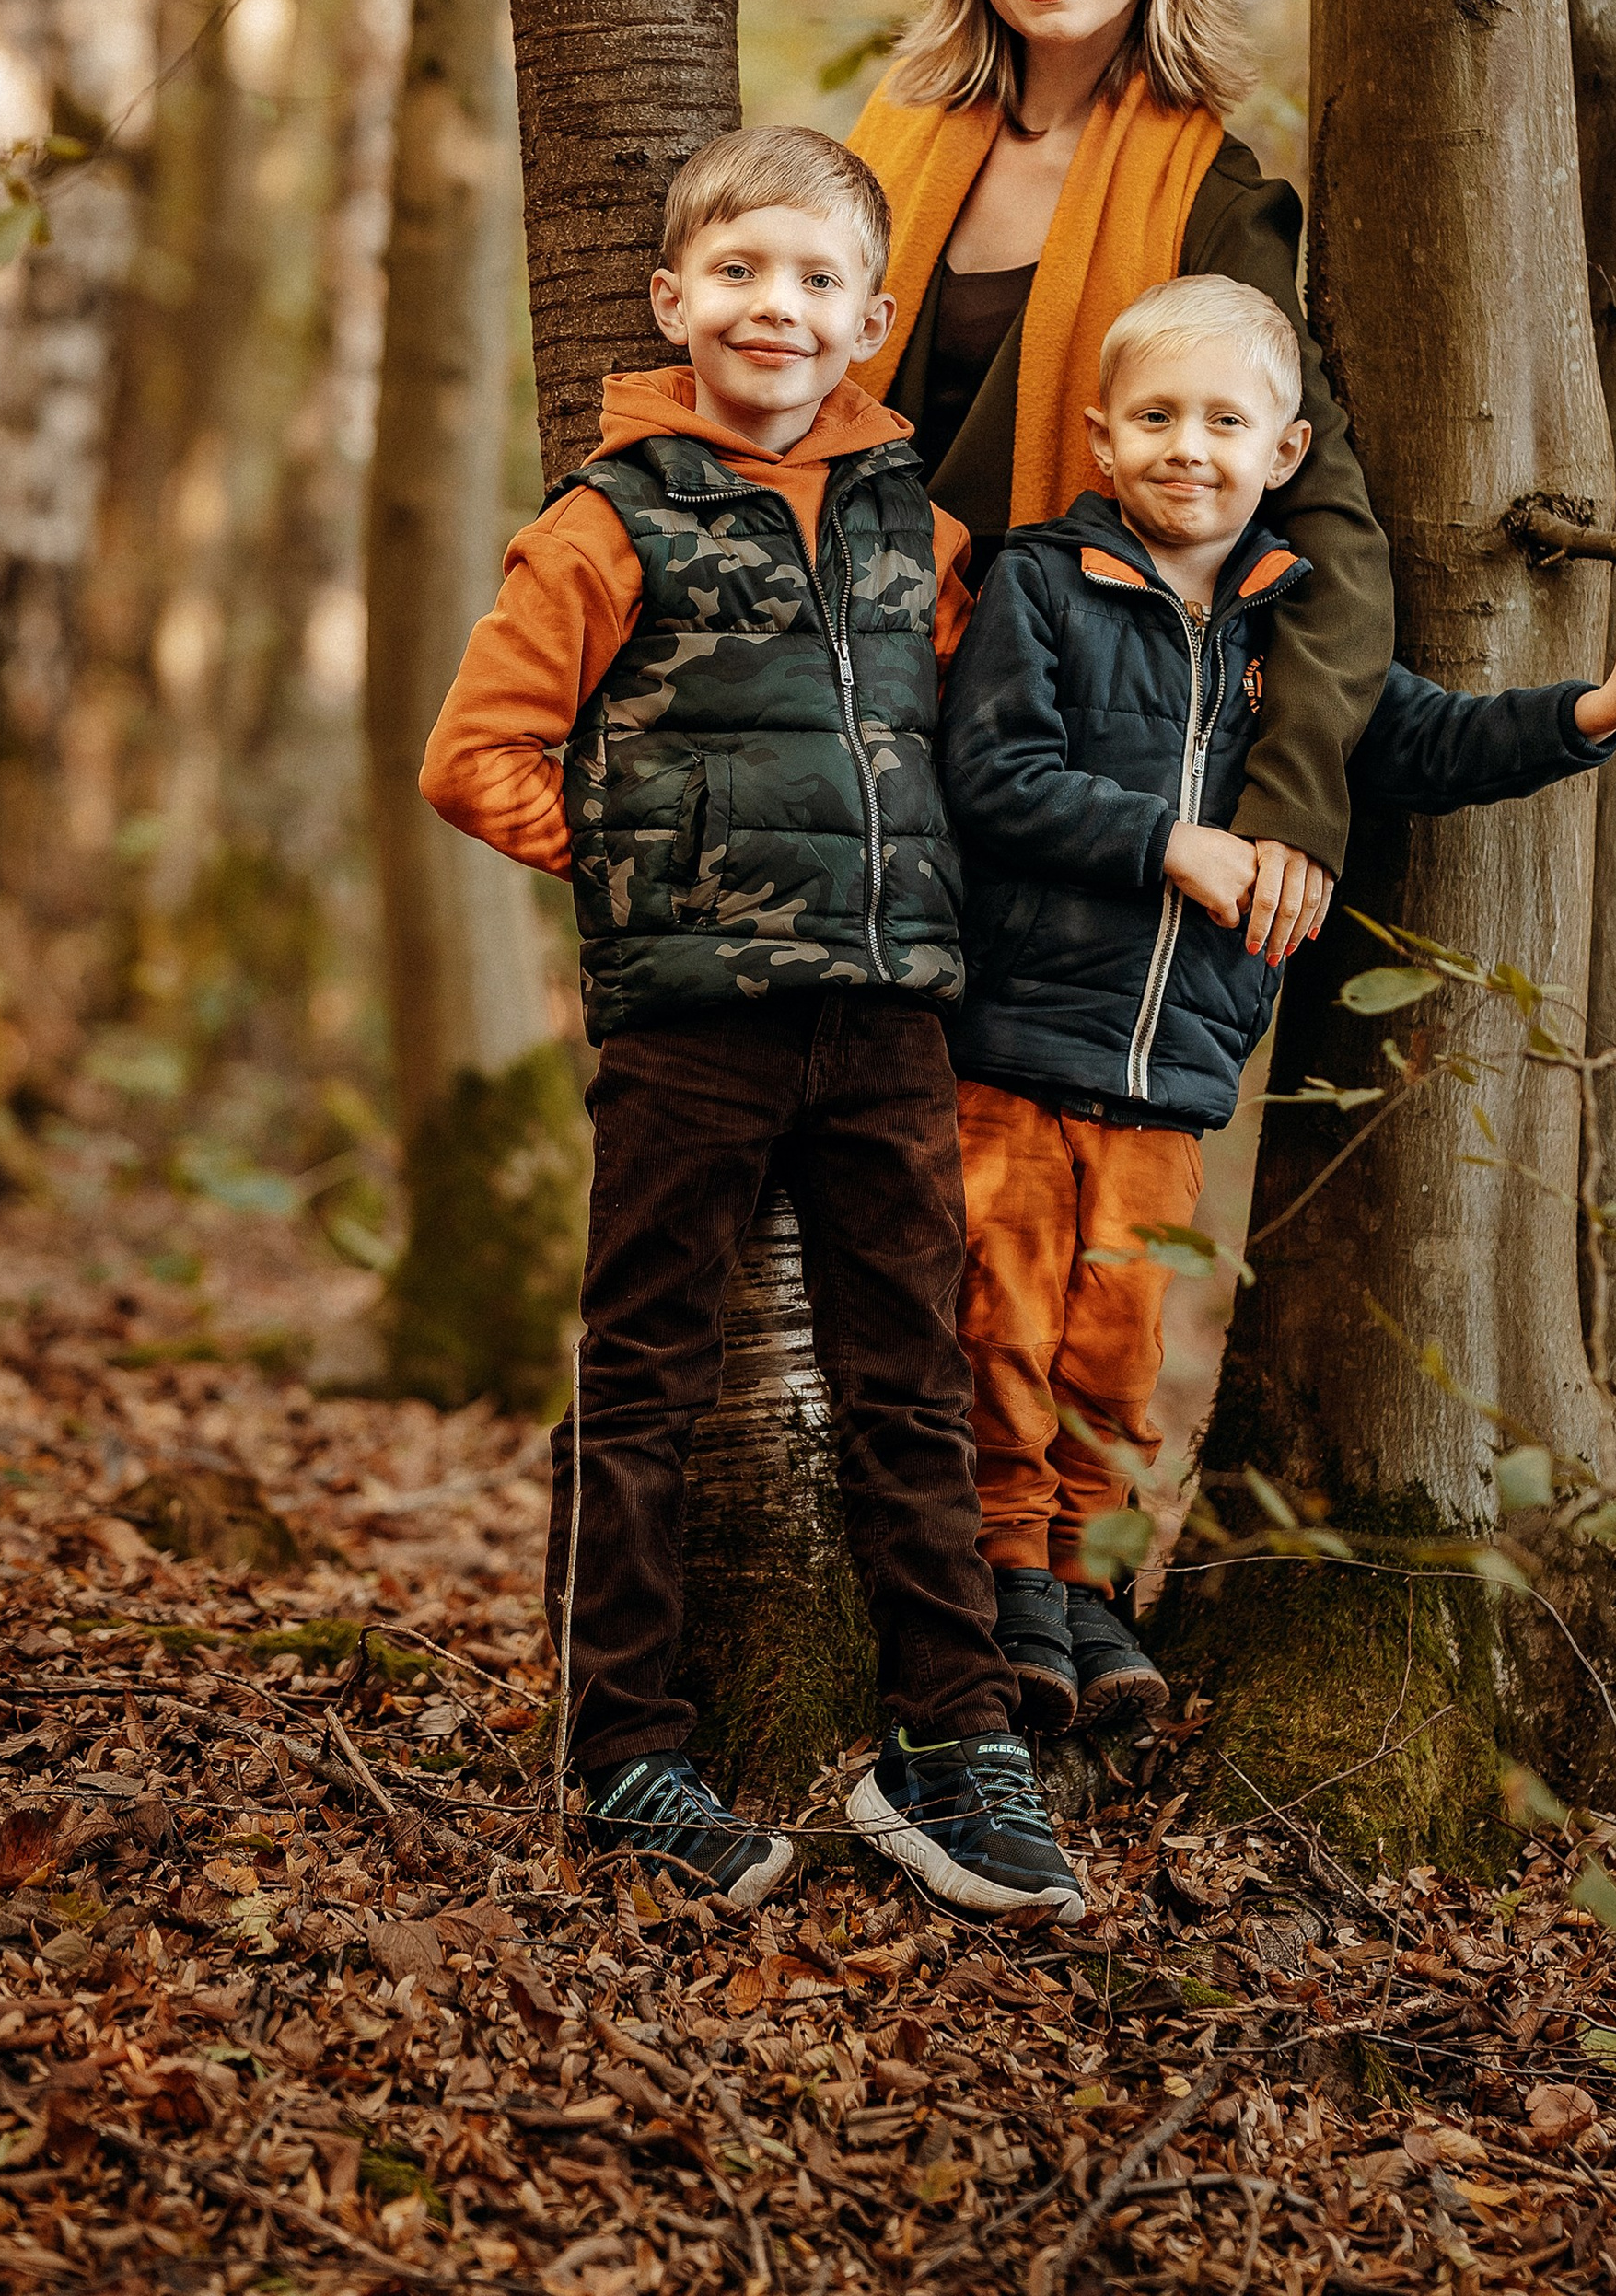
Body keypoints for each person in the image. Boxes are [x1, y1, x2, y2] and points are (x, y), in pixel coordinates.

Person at [420, 124, 1087, 1928]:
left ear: (870, 314)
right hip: (690, 1034)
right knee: (642, 1380)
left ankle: (953, 1746)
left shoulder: (921, 533)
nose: (772, 308)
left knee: (910, 1384)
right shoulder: (603, 524)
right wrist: (654, 870)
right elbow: (472, 761)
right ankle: (627, 1750)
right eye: (736, 273)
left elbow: (976, 752)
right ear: (670, 301)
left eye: (810, 280)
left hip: (884, 1032)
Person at [937, 276, 1616, 1731]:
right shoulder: (1045, 583)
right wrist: (1171, 840)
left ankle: (1096, 1589)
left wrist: (1591, 712)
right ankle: (1007, 1573)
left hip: (1173, 1078)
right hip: (1014, 1047)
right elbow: (994, 776)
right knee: (1002, 1319)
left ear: (1283, 454)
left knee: (1119, 1341)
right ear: (1099, 438)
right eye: (1155, 418)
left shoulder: (1297, 630)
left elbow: (1429, 740)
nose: (1188, 448)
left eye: (1226, 422)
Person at [850, 0, 1392, 985]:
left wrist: (1295, 805)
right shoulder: (888, 144)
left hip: (1063, 780)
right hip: (853, 742)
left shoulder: (1210, 201)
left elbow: (1321, 518)